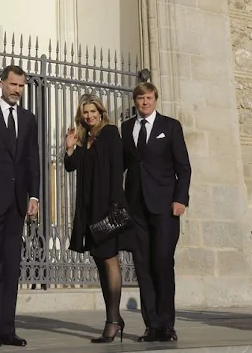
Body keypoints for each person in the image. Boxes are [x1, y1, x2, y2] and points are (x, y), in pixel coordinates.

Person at [0, 64, 40, 349]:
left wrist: (34, 196)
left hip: (17, 203)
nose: (17, 90)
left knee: (12, 267)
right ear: (2, 84)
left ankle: (8, 330)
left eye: (21, 86)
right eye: (13, 84)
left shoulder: (28, 119)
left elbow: (32, 160)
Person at [122, 82, 191, 343]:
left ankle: (167, 325)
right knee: (143, 267)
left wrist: (180, 199)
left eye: (148, 98)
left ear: (155, 99)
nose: (144, 102)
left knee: (162, 262)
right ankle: (151, 326)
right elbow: (122, 164)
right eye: (140, 98)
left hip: (165, 208)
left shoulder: (170, 127)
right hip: (136, 208)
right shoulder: (127, 128)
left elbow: (184, 167)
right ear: (135, 101)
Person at [64, 94, 132, 344]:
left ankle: (113, 320)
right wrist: (70, 147)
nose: (90, 116)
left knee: (109, 260)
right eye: (86, 113)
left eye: (93, 111)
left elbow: (116, 170)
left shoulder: (110, 133)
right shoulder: (85, 137)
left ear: (101, 112)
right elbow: (71, 166)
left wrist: (114, 206)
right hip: (88, 208)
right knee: (101, 263)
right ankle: (112, 317)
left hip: (106, 207)